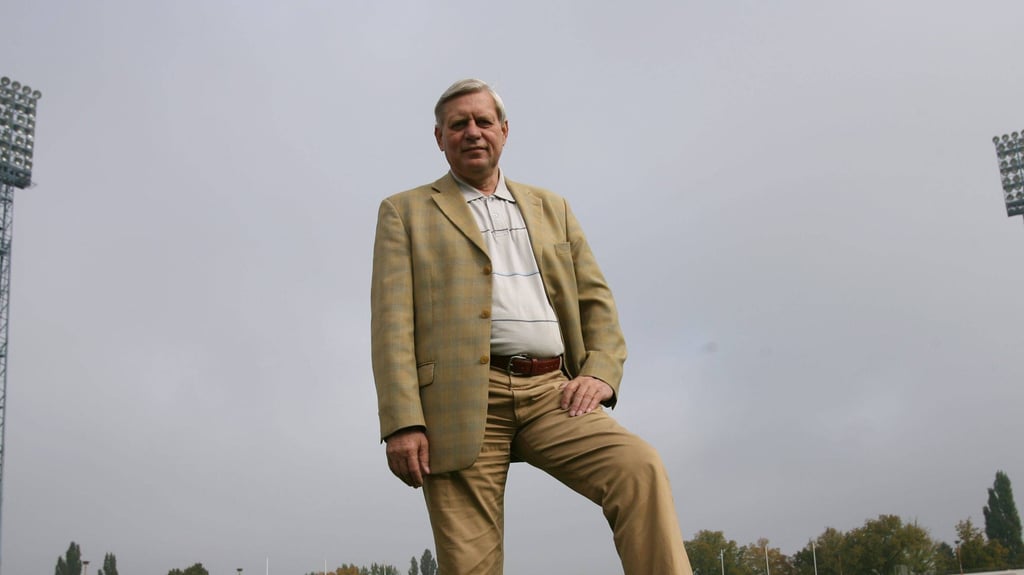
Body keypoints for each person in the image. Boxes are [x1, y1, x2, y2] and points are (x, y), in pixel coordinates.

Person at [370, 78, 693, 575]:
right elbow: (391, 325)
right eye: (458, 125)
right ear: (440, 138)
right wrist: (402, 422)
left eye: (482, 121)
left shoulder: (552, 207)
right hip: (457, 404)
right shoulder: (405, 211)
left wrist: (602, 372)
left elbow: (595, 302)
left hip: (554, 393)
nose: (472, 132)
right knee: (470, 565)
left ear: (504, 130)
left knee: (638, 468)